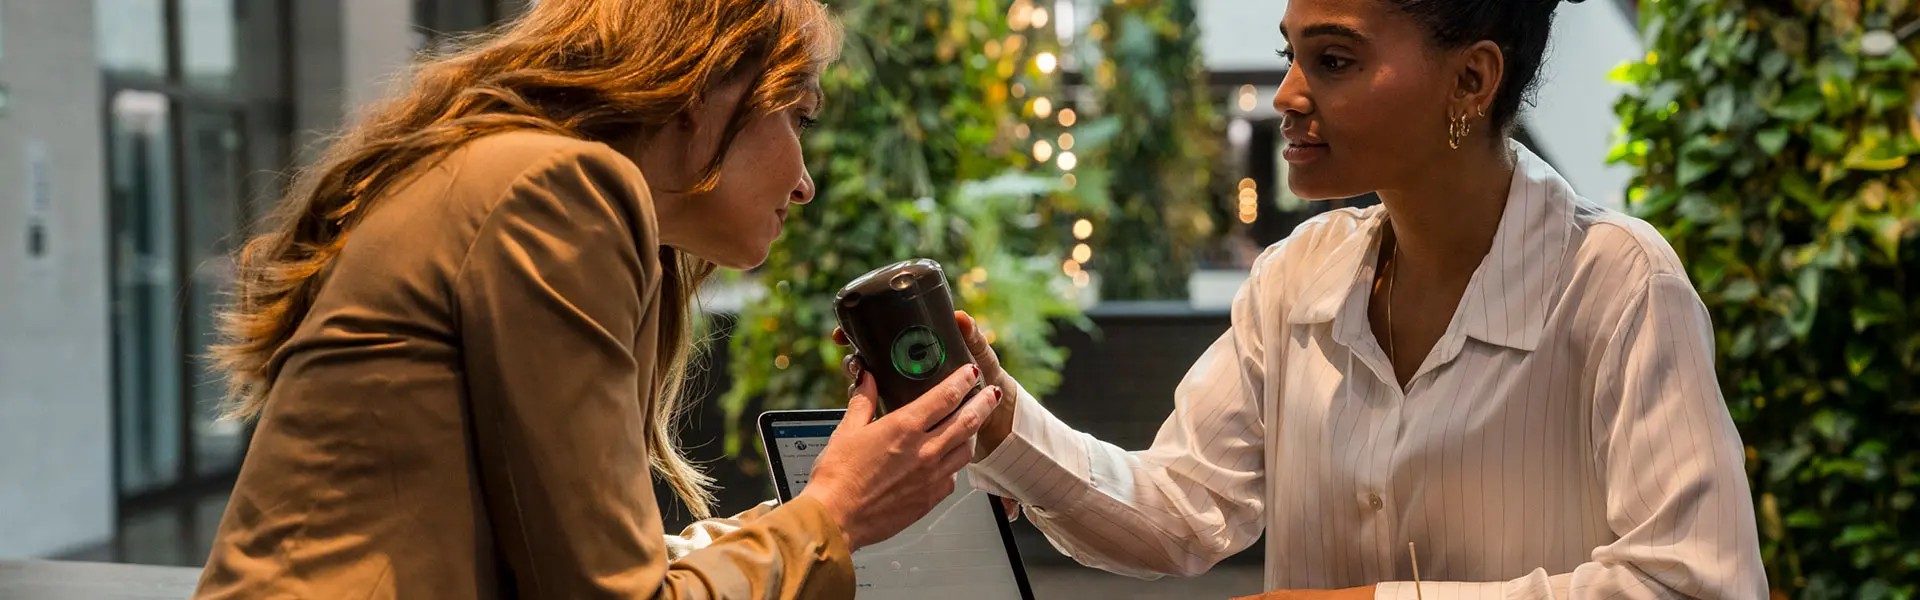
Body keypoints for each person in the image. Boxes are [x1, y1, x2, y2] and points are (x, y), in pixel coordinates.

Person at [859, 0, 1767, 597]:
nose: (1289, 96)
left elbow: (1695, 581)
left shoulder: (1619, 284)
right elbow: (1182, 512)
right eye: (1292, 55)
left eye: (1333, 60)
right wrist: (999, 421)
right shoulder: (1300, 276)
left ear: (1472, 80)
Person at [195, 1, 1003, 597]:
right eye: (799, 115)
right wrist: (835, 513)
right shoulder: (559, 189)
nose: (804, 180)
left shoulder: (514, 175)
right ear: (704, 90)